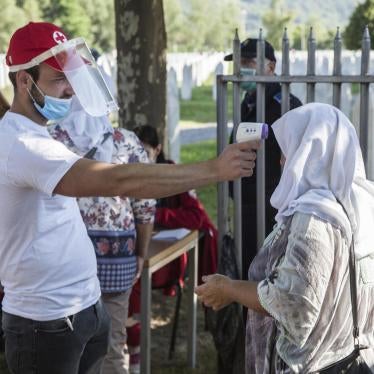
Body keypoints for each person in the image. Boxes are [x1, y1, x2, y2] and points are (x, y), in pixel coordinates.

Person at [0, 21, 258, 374]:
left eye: (72, 78)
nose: (71, 91)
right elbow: (121, 179)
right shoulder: (20, 145)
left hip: (82, 308)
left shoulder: (39, 135)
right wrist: (214, 169)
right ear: (24, 80)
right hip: (46, 323)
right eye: (59, 78)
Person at [196, 103, 374, 373]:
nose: (281, 161)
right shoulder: (362, 202)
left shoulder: (314, 218)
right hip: (350, 353)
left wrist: (229, 288)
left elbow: (294, 304)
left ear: (309, 151)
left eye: (288, 150)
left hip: (310, 364)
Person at [49, 97, 155, 374]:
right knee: (113, 341)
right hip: (118, 259)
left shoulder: (50, 140)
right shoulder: (128, 142)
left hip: (65, 257)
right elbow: (145, 206)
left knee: (67, 344)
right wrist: (141, 252)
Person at [125, 125, 219, 372]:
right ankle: (128, 346)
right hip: (140, 253)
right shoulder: (127, 174)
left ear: (157, 151)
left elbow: (196, 218)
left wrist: (157, 215)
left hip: (169, 259)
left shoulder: (172, 174)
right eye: (135, 153)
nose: (141, 160)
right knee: (126, 275)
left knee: (131, 279)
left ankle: (133, 352)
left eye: (145, 153)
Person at [225, 38, 302, 278]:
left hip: (272, 207)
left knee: (267, 275)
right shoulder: (247, 101)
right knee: (247, 270)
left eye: (248, 61)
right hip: (246, 202)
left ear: (270, 67)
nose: (241, 68)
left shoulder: (285, 105)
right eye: (238, 61)